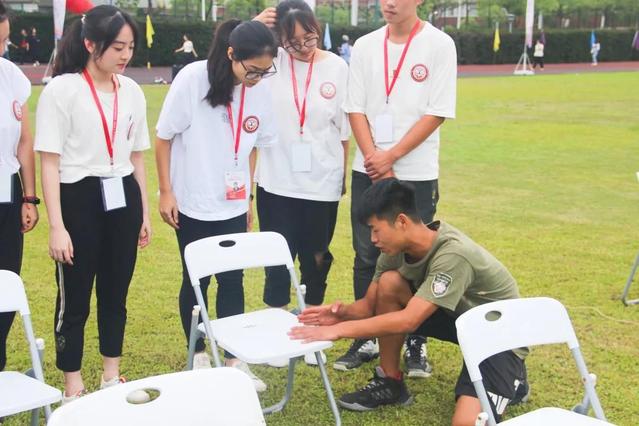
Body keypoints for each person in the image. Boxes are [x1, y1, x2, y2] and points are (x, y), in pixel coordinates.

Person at [289, 179, 529, 425]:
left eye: (375, 229)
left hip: (498, 337)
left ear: (401, 222)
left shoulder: (454, 254)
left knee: (465, 423)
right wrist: (340, 314)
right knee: (390, 283)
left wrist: (338, 331)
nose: (372, 239)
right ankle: (390, 381)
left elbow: (409, 320)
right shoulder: (393, 252)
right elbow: (370, 306)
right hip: (459, 320)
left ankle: (515, 377)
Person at [35, 5, 152, 403]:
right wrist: (57, 226)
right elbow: (49, 160)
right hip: (78, 198)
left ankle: (110, 375)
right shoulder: (62, 90)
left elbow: (136, 156)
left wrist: (143, 213)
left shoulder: (132, 91)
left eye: (130, 47)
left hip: (123, 196)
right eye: (117, 47)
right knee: (75, 297)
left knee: (116, 293)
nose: (125, 55)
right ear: (90, 44)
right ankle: (73, 385)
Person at [155, 19, 278, 392]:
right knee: (196, 279)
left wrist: (247, 196)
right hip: (192, 200)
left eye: (265, 71)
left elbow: (254, 146)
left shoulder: (260, 91)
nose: (257, 78)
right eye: (252, 70)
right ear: (231, 54)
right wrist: (166, 192)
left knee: (232, 279)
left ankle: (233, 359)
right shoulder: (193, 79)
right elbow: (163, 137)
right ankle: (197, 353)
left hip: (233, 203)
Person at [337, 0, 457, 377]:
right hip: (369, 168)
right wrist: (374, 157)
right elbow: (354, 108)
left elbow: (437, 112)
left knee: (417, 255)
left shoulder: (439, 44)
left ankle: (416, 339)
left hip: (415, 171)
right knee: (366, 253)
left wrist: (393, 155)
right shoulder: (365, 45)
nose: (388, 3)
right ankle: (367, 337)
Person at [253, 1, 349, 367]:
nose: (304, 48)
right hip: (276, 182)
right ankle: (277, 332)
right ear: (280, 40)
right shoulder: (270, 62)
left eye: (309, 38)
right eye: (293, 43)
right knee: (277, 259)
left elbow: (343, 129)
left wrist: (341, 173)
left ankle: (311, 330)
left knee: (316, 259)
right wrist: (255, 25)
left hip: (321, 181)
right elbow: (228, 59)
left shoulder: (337, 67)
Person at [0, 0, 39, 375]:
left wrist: (29, 197)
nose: (2, 49)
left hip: (8, 192)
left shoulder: (12, 77)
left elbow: (25, 141)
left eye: (5, 40)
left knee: (7, 279)